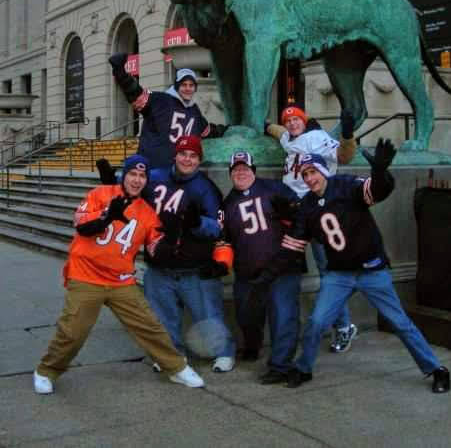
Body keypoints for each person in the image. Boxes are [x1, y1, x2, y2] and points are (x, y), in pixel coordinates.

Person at [281, 142, 451, 393]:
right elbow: (296, 241)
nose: (309, 178)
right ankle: (304, 368)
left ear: (323, 170)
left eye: (312, 171)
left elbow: (379, 191)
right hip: (338, 274)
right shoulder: (306, 205)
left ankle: (437, 369)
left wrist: (381, 171)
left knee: (399, 322)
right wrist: (282, 223)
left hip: (371, 270)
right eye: (304, 174)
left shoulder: (347, 185)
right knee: (316, 322)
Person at [33, 155, 205, 395]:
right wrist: (107, 216)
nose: (136, 180)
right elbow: (81, 226)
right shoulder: (100, 193)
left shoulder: (147, 212)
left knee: (150, 326)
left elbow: (157, 249)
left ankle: (176, 367)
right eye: (132, 174)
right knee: (73, 331)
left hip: (120, 280)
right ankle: (46, 370)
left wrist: (176, 236)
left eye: (142, 176)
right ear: (124, 175)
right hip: (86, 275)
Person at [266, 105, 358, 353]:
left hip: (317, 212)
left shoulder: (317, 138)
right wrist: (264, 126)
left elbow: (344, 156)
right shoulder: (288, 137)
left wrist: (348, 134)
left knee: (329, 272)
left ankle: (344, 326)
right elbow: (278, 132)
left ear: (305, 122)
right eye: (289, 120)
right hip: (294, 215)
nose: (292, 123)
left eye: (297, 119)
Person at [143, 135, 236, 373]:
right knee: (163, 319)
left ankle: (224, 352)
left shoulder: (206, 188)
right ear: (175, 154)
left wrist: (198, 223)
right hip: (159, 265)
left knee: (209, 316)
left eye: (193, 156)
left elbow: (219, 226)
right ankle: (172, 356)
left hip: (194, 267)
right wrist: (113, 183)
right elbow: (132, 187)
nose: (187, 159)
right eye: (183, 153)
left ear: (199, 160)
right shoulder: (155, 177)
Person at [222, 151, 307, 384]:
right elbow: (224, 238)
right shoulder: (228, 203)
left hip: (282, 267)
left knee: (283, 315)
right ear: (230, 174)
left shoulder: (274, 188)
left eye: (245, 168)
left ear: (254, 170)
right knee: (246, 314)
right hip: (248, 272)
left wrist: (290, 213)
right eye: (236, 170)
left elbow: (301, 215)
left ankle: (280, 365)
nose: (241, 173)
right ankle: (253, 345)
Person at [107, 53, 227, 170]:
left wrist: (227, 129)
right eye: (183, 84)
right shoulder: (160, 100)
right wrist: (120, 72)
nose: (188, 88)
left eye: (191, 85)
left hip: (177, 173)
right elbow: (135, 93)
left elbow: (208, 130)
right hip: (151, 169)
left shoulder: (194, 111)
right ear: (176, 86)